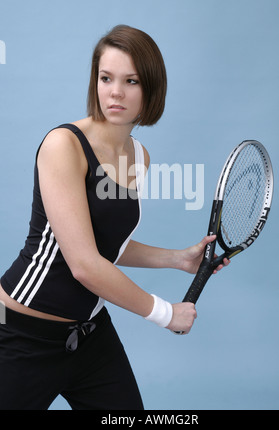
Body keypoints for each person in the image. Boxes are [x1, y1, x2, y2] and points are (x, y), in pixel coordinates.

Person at [0, 25, 228, 410]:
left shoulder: (139, 156)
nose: (115, 92)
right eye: (106, 78)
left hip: (90, 335)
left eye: (131, 80)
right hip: (24, 336)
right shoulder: (63, 145)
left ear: (150, 89)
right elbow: (85, 264)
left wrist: (176, 259)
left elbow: (105, 243)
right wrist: (165, 313)